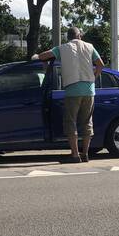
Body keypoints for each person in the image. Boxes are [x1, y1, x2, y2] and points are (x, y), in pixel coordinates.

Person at [33, 27, 104, 163]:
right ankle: (85, 153)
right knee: (87, 122)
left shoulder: (62, 48)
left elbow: (42, 56)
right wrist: (93, 77)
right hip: (89, 89)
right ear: (80, 36)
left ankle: (75, 155)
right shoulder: (89, 47)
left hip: (72, 90)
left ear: (68, 37)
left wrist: (38, 57)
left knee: (71, 122)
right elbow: (100, 64)